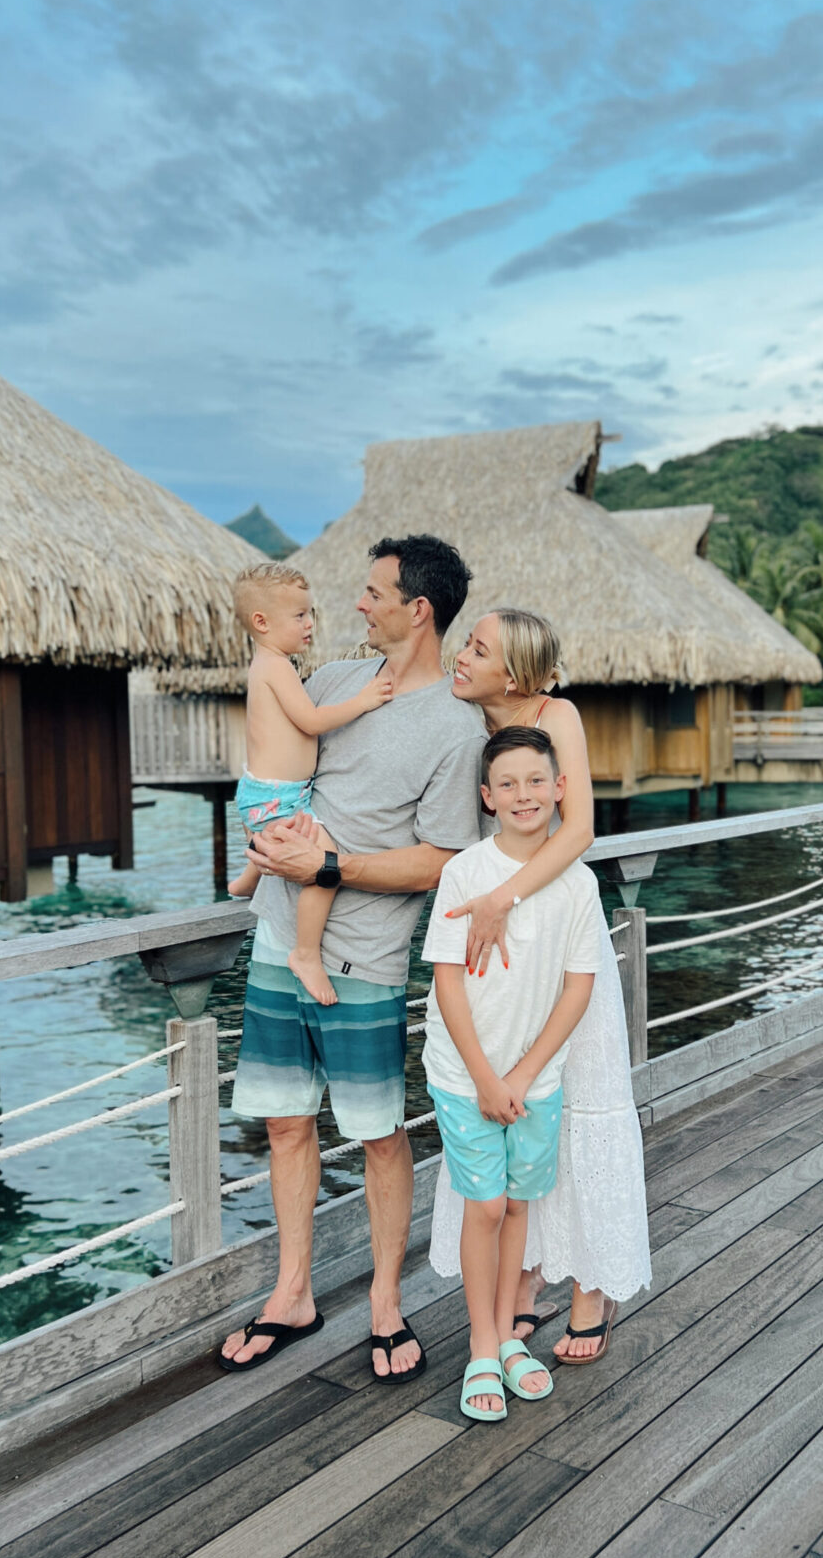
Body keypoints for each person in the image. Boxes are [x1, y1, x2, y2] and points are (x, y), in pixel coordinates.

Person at [218, 537, 486, 1382]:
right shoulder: (331, 682)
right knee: (285, 1122)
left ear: (419, 609)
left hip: (365, 956)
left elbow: (443, 859)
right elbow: (277, 768)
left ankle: (385, 1302)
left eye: (374, 593)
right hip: (277, 937)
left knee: (376, 1135)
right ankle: (292, 1292)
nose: (358, 605)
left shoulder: (457, 727)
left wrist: (330, 865)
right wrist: (268, 849)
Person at [429, 607, 652, 1360]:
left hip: (554, 934)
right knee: (517, 1123)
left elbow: (578, 830)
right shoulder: (467, 723)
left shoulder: (558, 716)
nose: (461, 656)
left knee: (581, 1106)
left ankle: (592, 1286)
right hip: (495, 959)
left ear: (516, 672)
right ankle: (518, 1282)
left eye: (477, 649)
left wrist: (504, 897)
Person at [421, 727, 601, 1420]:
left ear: (560, 788)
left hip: (536, 1079)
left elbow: (578, 988)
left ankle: (505, 1339)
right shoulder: (467, 873)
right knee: (487, 1206)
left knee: (520, 1204)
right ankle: (479, 1345)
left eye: (536, 780)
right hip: (464, 1073)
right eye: (508, 784)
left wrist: (523, 1076)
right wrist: (487, 1079)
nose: (524, 794)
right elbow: (447, 981)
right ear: (487, 796)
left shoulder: (578, 884)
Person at [225, 561, 393, 1005]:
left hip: (269, 794)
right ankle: (305, 953)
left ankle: (248, 879)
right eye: (299, 615)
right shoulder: (276, 667)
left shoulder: (268, 664)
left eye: (310, 614)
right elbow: (312, 720)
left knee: (280, 842)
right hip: (278, 798)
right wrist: (364, 700)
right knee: (324, 867)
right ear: (262, 622)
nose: (310, 624)